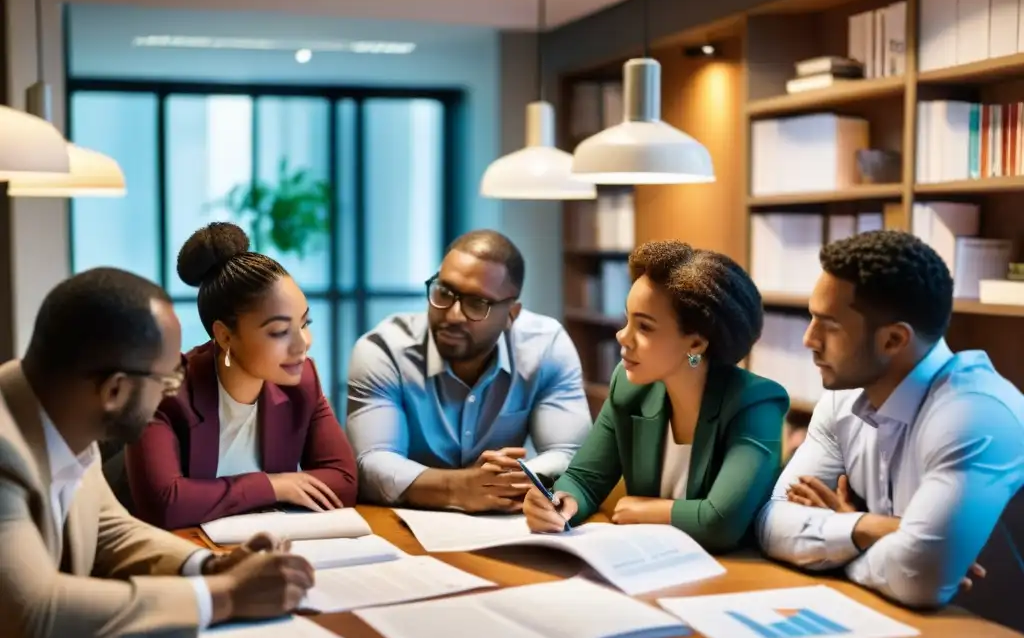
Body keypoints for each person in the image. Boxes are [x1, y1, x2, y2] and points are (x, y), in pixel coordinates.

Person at [0, 268, 315, 638]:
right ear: (114, 391)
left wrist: (215, 568)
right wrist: (226, 597)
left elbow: (109, 531)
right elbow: (33, 616)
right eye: (166, 384)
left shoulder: (63, 413)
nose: (171, 395)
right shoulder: (5, 449)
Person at [756, 230, 1024, 608]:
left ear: (894, 340)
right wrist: (871, 527)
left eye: (829, 325)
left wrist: (840, 540)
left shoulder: (976, 416)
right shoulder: (843, 398)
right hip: (903, 623)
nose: (809, 340)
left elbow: (918, 577)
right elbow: (770, 524)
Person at [523, 241, 789, 552]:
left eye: (644, 327)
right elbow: (584, 480)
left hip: (733, 575)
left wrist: (645, 510)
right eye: (627, 319)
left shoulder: (757, 404)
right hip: (651, 563)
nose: (623, 336)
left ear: (696, 344)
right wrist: (560, 503)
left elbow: (721, 522)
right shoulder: (630, 387)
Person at [126, 223, 357, 529]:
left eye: (304, 323)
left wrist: (222, 496)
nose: (303, 344)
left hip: (270, 549)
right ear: (224, 336)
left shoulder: (301, 382)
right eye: (279, 332)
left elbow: (343, 482)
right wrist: (274, 486)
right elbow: (164, 504)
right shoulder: (165, 392)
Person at [346, 229, 591, 512]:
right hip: (405, 521)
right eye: (444, 292)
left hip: (503, 525)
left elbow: (572, 453)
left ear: (511, 314)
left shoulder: (545, 347)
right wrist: (460, 487)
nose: (452, 315)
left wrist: (508, 478)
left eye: (477, 303)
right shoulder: (384, 351)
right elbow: (372, 461)